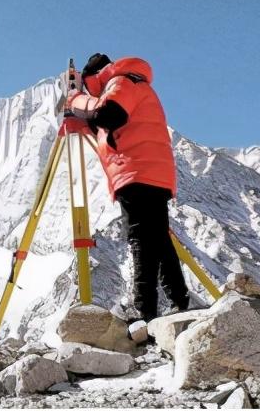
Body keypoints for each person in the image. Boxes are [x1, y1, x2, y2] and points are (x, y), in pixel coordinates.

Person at [65, 53, 189, 324]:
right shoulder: (133, 83)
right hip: (151, 172)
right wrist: (83, 119)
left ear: (94, 78)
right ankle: (179, 300)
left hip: (136, 172)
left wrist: (76, 99)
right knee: (158, 239)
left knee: (141, 239)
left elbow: (109, 115)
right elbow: (109, 127)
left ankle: (144, 309)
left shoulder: (122, 82)